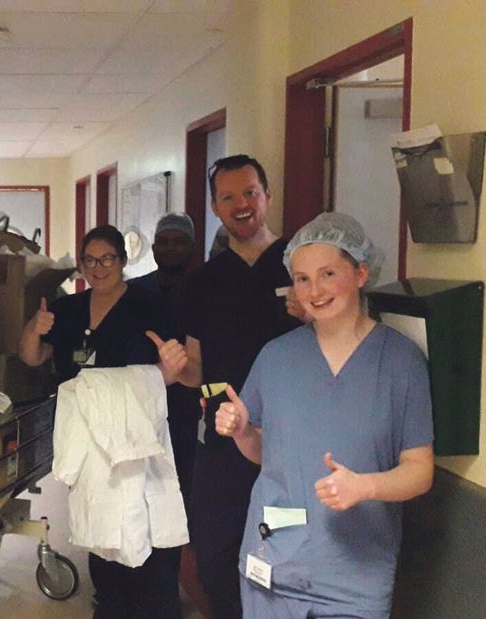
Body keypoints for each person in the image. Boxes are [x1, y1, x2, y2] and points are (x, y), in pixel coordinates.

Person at [215, 212, 434, 617]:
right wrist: (244, 433)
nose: (314, 290)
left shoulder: (401, 362)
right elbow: (266, 454)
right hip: (275, 562)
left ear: (361, 273)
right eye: (302, 278)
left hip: (356, 574)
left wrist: (365, 487)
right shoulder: (276, 357)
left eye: (328, 273)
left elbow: (420, 470)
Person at [19, 224, 188, 619]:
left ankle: (154, 608)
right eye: (90, 260)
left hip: (136, 436)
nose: (98, 268)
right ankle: (111, 604)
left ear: (123, 261)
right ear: (81, 265)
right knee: (99, 521)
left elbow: (172, 369)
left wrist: (167, 369)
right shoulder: (66, 310)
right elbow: (33, 357)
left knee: (141, 521)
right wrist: (33, 329)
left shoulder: (149, 305)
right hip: (89, 437)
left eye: (107, 259)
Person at [175, 154, 302, 619]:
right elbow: (195, 368)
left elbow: (342, 339)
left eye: (250, 192)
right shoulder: (204, 281)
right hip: (223, 438)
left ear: (267, 196)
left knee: (286, 552)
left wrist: (311, 318)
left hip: (289, 438)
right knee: (214, 553)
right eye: (228, 196)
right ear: (215, 207)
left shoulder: (298, 267)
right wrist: (176, 367)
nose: (242, 204)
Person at [128, 212, 201, 500]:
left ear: (192, 247)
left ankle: (181, 544)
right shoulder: (134, 291)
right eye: (163, 241)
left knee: (182, 479)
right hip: (142, 397)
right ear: (153, 247)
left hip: (187, 402)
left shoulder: (203, 289)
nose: (170, 248)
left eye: (179, 241)